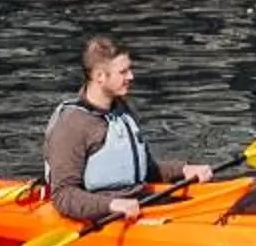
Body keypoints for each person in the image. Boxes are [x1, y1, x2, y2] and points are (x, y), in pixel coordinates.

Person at [42, 35, 209, 226]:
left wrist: (184, 169)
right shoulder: (72, 125)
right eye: (123, 72)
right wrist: (112, 205)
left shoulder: (122, 110)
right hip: (102, 214)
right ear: (99, 77)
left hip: (137, 202)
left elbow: (144, 170)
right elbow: (63, 195)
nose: (131, 76)